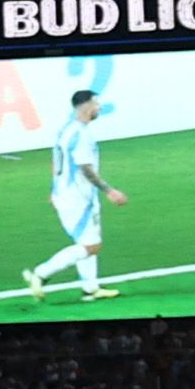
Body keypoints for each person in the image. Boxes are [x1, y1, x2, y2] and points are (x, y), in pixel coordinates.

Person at [20, 87, 127, 303]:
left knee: (86, 241)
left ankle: (90, 289)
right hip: (78, 198)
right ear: (86, 106)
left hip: (65, 194)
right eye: (96, 103)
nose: (99, 107)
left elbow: (56, 161)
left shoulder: (66, 130)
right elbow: (86, 169)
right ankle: (40, 274)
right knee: (91, 246)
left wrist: (53, 188)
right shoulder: (81, 135)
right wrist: (109, 190)